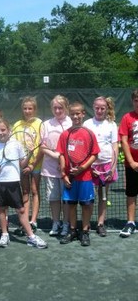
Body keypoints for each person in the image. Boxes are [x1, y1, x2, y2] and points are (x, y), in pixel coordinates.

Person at [0, 119, 48, 249]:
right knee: (1, 209)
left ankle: (31, 237)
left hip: (14, 182)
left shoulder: (16, 144)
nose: (1, 133)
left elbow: (22, 164)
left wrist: (31, 153)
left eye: (3, 130)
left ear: (8, 130)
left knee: (21, 210)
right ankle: (4, 234)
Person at [57, 102, 100, 246]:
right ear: (70, 115)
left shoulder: (89, 133)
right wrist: (64, 175)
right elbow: (61, 154)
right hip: (70, 178)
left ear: (83, 114)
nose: (75, 116)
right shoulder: (65, 134)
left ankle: (85, 232)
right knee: (71, 205)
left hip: (86, 177)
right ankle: (73, 230)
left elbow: (94, 154)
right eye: (73, 114)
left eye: (78, 113)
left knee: (86, 205)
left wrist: (82, 168)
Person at [83, 96, 118, 237]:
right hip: (90, 167)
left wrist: (113, 167)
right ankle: (86, 225)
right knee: (88, 197)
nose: (99, 110)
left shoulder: (112, 124)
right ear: (93, 107)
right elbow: (84, 147)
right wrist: (88, 166)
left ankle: (100, 224)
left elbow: (115, 146)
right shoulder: (87, 124)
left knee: (103, 196)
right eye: (97, 107)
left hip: (106, 165)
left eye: (102, 108)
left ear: (106, 109)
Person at [40, 95, 72, 238]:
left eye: (60, 107)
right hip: (50, 167)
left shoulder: (72, 123)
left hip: (67, 168)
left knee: (66, 198)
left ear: (66, 108)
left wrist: (64, 162)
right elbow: (42, 147)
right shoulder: (46, 124)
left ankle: (66, 223)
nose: (58, 110)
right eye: (55, 108)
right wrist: (57, 157)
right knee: (53, 198)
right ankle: (56, 223)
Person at [12, 96, 43, 234]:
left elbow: (42, 146)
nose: (27, 111)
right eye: (25, 108)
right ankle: (24, 221)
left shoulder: (40, 123)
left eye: (30, 108)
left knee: (35, 191)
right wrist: (22, 164)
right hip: (22, 165)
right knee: (25, 192)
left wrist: (32, 165)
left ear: (34, 109)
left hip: (36, 164)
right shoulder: (17, 124)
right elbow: (13, 145)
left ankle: (33, 221)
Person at [119, 89, 138, 238]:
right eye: (136, 100)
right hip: (132, 165)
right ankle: (130, 222)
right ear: (133, 101)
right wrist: (131, 161)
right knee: (131, 193)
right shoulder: (127, 118)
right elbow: (124, 141)